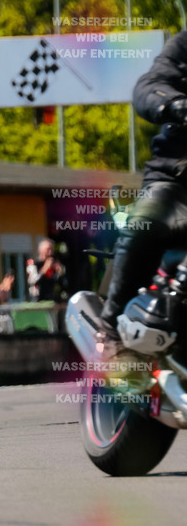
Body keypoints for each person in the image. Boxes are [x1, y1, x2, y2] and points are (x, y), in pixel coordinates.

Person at [99, 30, 187, 347]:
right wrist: (175, 104)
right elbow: (148, 87)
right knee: (146, 224)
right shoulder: (184, 45)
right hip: (177, 181)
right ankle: (110, 331)